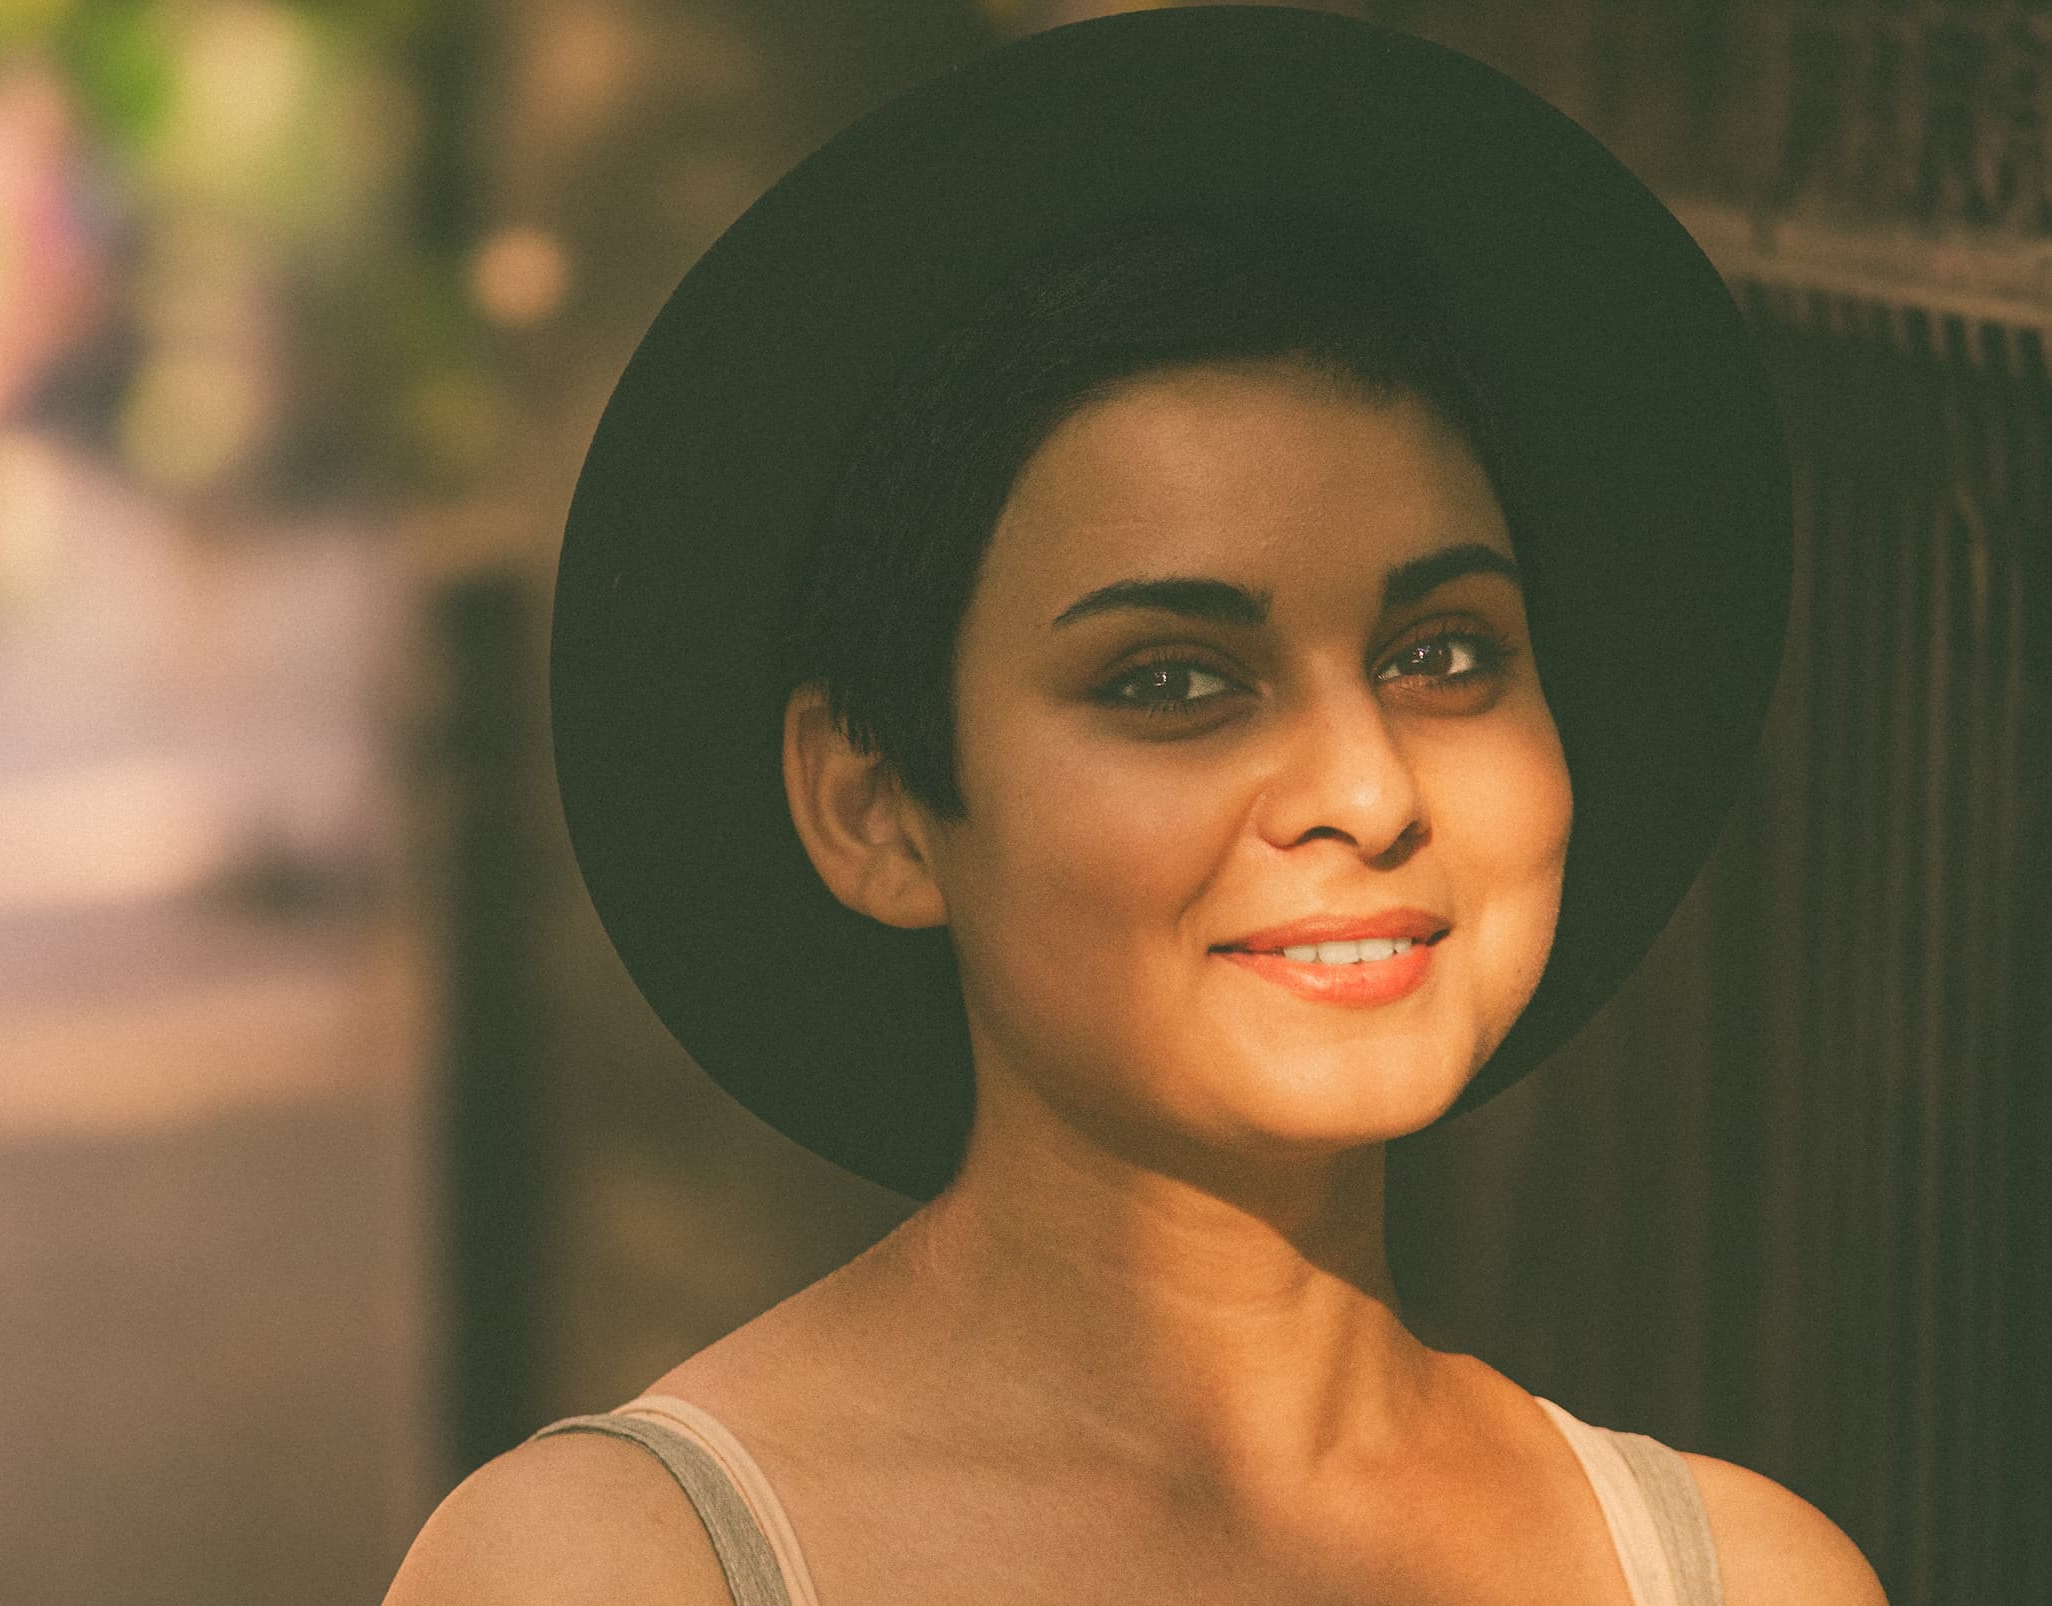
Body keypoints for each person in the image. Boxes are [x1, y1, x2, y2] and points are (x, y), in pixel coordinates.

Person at [387, 10, 1888, 1604]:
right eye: (1173, 681)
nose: (1366, 789)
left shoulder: (1743, 1576)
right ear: (874, 808)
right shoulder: (613, 1569)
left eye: (1443, 652)